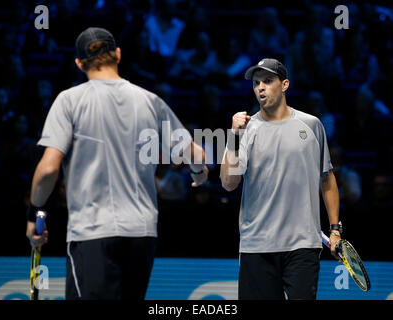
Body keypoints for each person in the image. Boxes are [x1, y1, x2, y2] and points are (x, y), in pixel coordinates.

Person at [25, 27, 208, 300]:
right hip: (142, 235)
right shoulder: (151, 101)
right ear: (118, 55)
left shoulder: (69, 101)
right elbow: (196, 156)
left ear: (78, 63)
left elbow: (48, 169)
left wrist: (34, 215)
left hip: (92, 232)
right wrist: (199, 173)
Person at [220, 58, 341, 300]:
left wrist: (335, 229)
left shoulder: (311, 125)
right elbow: (228, 183)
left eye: (267, 81)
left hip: (303, 244)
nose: (260, 88)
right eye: (256, 83)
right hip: (257, 245)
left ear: (284, 84)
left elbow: (326, 179)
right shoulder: (245, 130)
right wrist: (233, 136)